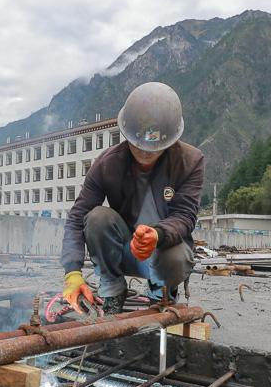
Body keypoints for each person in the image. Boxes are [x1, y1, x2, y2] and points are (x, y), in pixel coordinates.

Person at [61, 82, 204, 314]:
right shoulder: (107, 164)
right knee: (97, 217)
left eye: (153, 149)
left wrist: (157, 235)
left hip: (165, 251)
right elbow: (77, 218)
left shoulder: (190, 161)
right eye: (139, 147)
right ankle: (113, 290)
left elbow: (185, 216)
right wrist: (73, 273)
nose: (145, 153)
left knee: (176, 256)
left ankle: (161, 294)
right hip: (126, 250)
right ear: (126, 134)